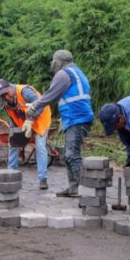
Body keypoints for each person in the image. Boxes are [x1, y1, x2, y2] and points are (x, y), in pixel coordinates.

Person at [26, 50, 93, 198]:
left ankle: (79, 188)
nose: (52, 64)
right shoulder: (77, 72)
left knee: (71, 154)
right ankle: (73, 189)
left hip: (77, 118)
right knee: (70, 154)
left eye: (53, 61)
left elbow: (50, 95)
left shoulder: (64, 74)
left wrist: (34, 106)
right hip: (76, 117)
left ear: (58, 62)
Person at [0, 78, 52, 190]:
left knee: (40, 146)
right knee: (13, 144)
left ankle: (43, 179)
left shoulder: (25, 91)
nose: (6, 97)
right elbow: (12, 115)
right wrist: (14, 133)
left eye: (7, 93)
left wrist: (31, 119)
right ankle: (11, 174)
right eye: (2, 95)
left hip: (41, 118)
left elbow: (42, 105)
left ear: (10, 87)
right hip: (23, 120)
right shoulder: (4, 101)